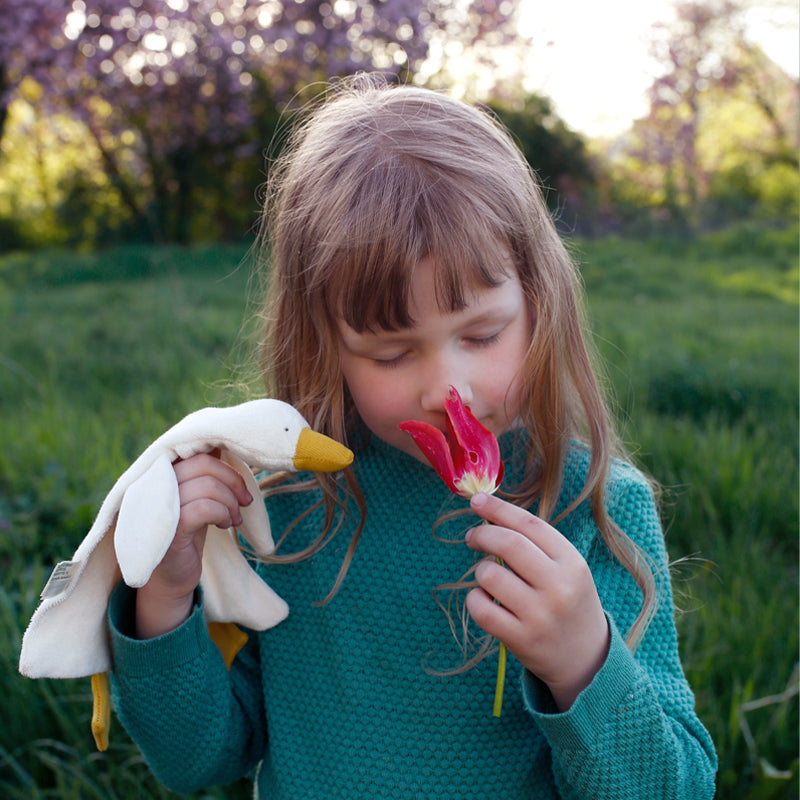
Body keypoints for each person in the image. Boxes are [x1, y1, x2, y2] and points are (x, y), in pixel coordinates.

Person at [109, 75, 716, 798]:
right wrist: (165, 604)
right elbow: (197, 762)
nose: (445, 389)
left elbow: (675, 788)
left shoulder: (595, 511)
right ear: (324, 347)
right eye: (392, 353)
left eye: (482, 333)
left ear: (539, 304)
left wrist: (584, 662)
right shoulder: (282, 512)